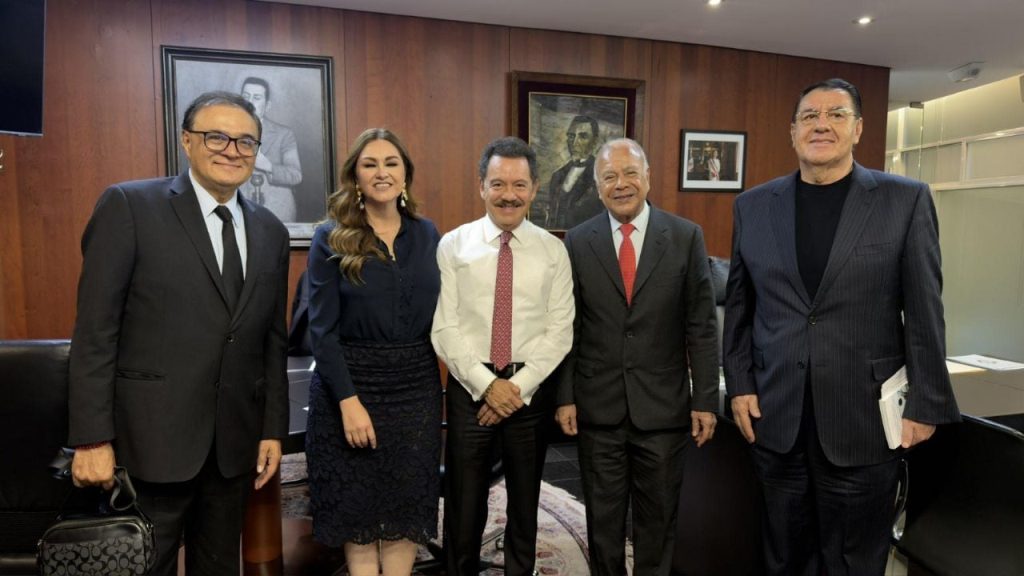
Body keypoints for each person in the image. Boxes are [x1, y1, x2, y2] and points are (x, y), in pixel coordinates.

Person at [723, 78, 961, 576]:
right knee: (783, 555)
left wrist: (927, 402)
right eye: (809, 116)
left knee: (853, 560)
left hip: (864, 421)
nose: (821, 125)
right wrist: (740, 384)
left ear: (858, 129)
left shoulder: (904, 200)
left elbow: (924, 311)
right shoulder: (753, 205)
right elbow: (741, 307)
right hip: (776, 415)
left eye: (836, 114)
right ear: (793, 132)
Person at [68, 91, 290, 576]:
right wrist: (90, 439)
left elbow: (272, 341)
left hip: (232, 447)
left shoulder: (271, 230)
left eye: (246, 142)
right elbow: (95, 333)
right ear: (187, 141)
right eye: (217, 137)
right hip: (150, 443)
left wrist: (272, 428)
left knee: (220, 566)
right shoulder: (130, 206)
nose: (232, 150)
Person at [555, 138, 719, 576]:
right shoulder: (579, 240)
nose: (621, 184)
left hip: (663, 410)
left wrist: (705, 399)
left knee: (658, 523)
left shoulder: (685, 236)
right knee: (602, 524)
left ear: (648, 177)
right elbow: (569, 327)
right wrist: (565, 396)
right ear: (597, 186)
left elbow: (701, 325)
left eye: (630, 173)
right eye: (609, 176)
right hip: (598, 407)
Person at [431, 136, 574, 576]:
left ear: (534, 189)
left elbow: (559, 331)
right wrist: (488, 386)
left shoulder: (553, 251)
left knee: (524, 505)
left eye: (519, 185)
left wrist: (515, 389)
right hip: (469, 390)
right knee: (463, 504)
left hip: (529, 395)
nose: (508, 195)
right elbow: (444, 328)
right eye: (498, 184)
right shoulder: (454, 245)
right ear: (481, 186)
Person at [305, 128, 442, 576]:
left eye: (391, 163)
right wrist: (348, 402)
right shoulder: (331, 237)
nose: (381, 172)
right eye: (370, 164)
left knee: (404, 509)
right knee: (359, 513)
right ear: (355, 176)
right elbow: (322, 331)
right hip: (350, 387)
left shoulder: (428, 234)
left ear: (405, 174)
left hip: (415, 390)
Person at [240, 76, 303, 221]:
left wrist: (268, 166)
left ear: (267, 105)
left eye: (256, 97)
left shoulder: (284, 134)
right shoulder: (226, 134)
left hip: (277, 211)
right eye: (246, 96)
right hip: (238, 210)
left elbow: (296, 175)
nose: (250, 102)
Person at [547, 115, 604, 229]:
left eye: (582, 136)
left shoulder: (602, 177)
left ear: (595, 142)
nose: (574, 143)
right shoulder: (557, 176)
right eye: (571, 136)